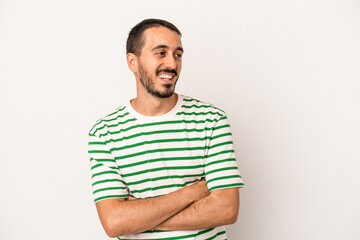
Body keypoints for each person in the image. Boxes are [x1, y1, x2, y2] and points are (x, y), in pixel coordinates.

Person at [88, 18, 244, 240]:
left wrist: (140, 217)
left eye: (177, 54)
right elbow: (114, 222)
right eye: (160, 53)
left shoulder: (212, 119)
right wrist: (192, 192)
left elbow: (226, 209)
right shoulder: (105, 132)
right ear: (133, 62)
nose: (172, 64)